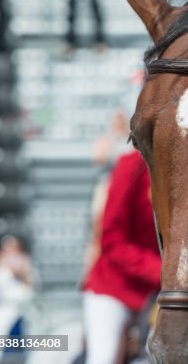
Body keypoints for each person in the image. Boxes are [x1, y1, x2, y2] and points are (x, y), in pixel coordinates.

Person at [79, 148, 160, 364]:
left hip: (166, 290)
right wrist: (162, 271)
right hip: (115, 287)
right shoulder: (131, 165)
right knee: (103, 357)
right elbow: (112, 241)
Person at [0, 235, 34, 360]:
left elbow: (30, 287)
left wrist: (19, 273)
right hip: (0, 309)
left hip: (20, 310)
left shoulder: (25, 264)